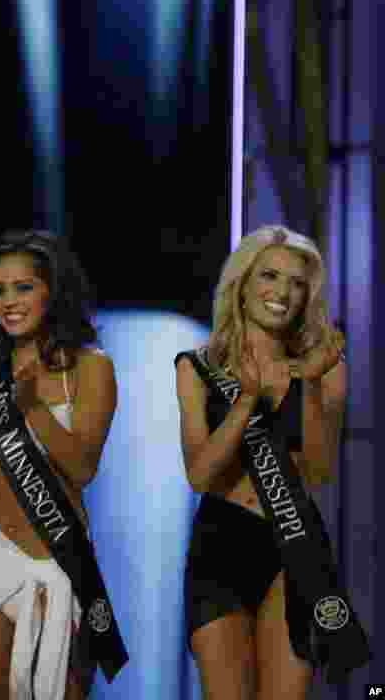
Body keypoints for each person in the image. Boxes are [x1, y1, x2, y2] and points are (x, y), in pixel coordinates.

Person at [0, 230, 122, 699]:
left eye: (23, 287)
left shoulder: (90, 368)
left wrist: (31, 406)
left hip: (58, 557)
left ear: (52, 291)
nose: (8, 301)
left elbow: (82, 468)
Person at [176, 225, 365, 698]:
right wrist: (247, 401)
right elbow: (200, 475)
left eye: (297, 283)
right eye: (270, 276)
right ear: (242, 285)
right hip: (221, 544)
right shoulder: (197, 367)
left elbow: (320, 472)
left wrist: (317, 386)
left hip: (293, 547)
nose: (282, 292)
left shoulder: (328, 368)